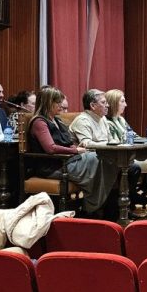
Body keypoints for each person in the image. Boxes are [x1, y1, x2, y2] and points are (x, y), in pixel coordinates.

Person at [27, 87, 115, 215]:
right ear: (48, 102)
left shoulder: (57, 120)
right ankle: (93, 207)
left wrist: (75, 147)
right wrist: (75, 150)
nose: (61, 105)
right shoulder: (39, 122)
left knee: (107, 159)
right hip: (53, 166)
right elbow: (50, 148)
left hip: (67, 160)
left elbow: (67, 142)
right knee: (98, 158)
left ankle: (99, 205)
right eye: (57, 102)